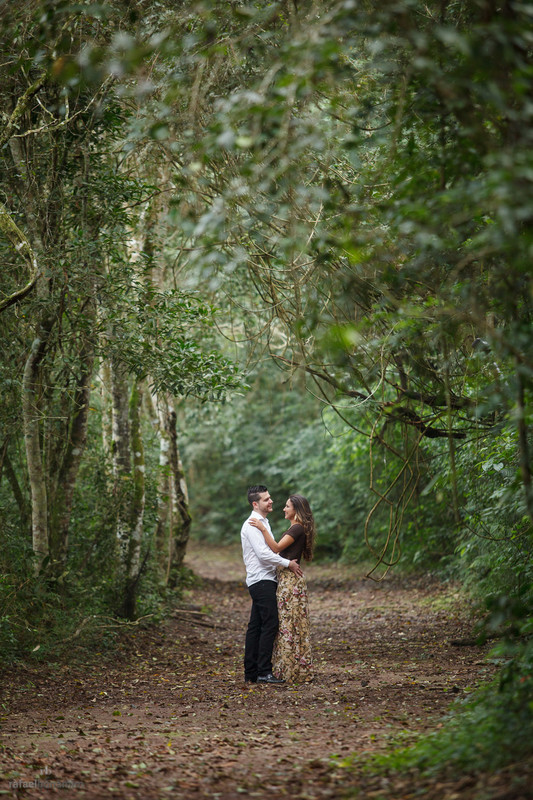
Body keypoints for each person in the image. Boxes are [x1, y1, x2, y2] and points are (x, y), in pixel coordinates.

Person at [249, 494, 315, 683]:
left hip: (290, 581)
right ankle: (290, 668)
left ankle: (292, 670)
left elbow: (276, 547)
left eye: (287, 506)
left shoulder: (296, 528)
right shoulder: (296, 528)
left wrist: (262, 528)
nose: (284, 509)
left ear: (296, 509)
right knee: (290, 624)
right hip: (287, 579)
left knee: (289, 624)